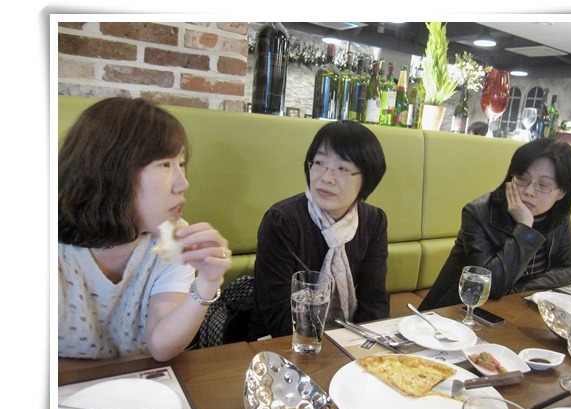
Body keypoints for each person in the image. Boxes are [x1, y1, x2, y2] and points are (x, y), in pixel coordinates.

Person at [58, 97, 232, 361]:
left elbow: (161, 347)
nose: (183, 183)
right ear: (112, 170)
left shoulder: (172, 238)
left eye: (181, 164)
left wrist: (208, 281)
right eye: (165, 164)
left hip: (137, 382)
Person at [247, 121, 389, 340]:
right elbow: (277, 315)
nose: (326, 178)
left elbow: (374, 301)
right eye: (320, 163)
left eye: (343, 169)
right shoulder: (282, 221)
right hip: (280, 341)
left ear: (367, 178)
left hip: (348, 338)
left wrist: (365, 346)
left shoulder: (373, 221)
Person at [418, 138, 571, 310]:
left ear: (562, 192)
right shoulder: (478, 213)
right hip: (458, 310)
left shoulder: (559, 217)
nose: (528, 191)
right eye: (522, 178)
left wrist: (521, 288)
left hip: (517, 307)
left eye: (543, 185)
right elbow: (491, 286)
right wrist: (525, 228)